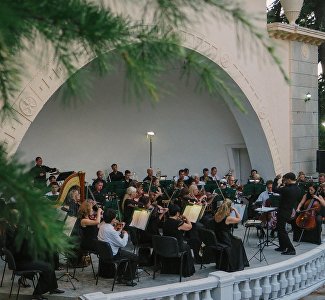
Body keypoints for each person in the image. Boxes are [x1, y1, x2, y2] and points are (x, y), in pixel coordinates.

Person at [6, 226, 64, 299]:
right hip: (21, 263)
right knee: (48, 267)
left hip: (22, 260)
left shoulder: (20, 232)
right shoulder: (20, 234)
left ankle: (52, 288)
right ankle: (37, 294)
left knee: (49, 260)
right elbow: (24, 253)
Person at [97, 209, 138, 286]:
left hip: (104, 254)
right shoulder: (111, 230)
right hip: (113, 255)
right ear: (113, 219)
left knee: (123, 254)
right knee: (135, 257)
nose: (116, 219)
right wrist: (125, 234)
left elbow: (112, 236)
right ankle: (128, 279)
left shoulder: (102, 226)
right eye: (115, 218)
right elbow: (122, 244)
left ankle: (120, 276)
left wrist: (120, 229)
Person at [212, 199, 249, 272]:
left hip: (218, 236)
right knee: (239, 241)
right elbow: (239, 219)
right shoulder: (228, 218)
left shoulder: (217, 214)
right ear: (229, 207)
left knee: (237, 240)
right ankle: (237, 263)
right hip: (225, 238)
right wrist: (235, 210)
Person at [162, 204, 195, 277]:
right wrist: (187, 218)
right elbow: (190, 227)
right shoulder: (178, 224)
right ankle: (187, 270)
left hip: (167, 246)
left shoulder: (165, 222)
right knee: (187, 247)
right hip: (177, 247)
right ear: (177, 213)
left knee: (185, 245)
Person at [272, 172, 301, 255]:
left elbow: (274, 189)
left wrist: (276, 179)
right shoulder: (297, 188)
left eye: (285, 180)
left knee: (282, 230)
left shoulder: (287, 189)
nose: (284, 181)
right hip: (289, 210)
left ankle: (291, 249)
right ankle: (282, 246)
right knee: (280, 228)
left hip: (283, 211)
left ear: (288, 179)